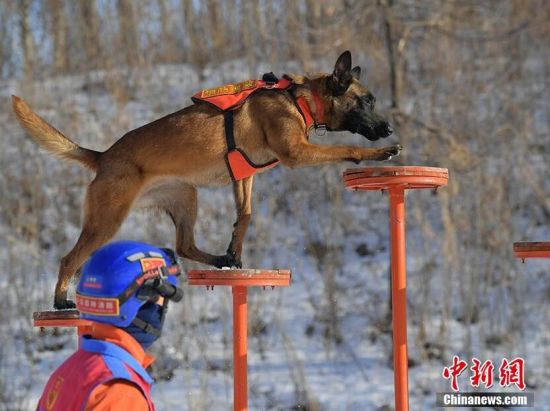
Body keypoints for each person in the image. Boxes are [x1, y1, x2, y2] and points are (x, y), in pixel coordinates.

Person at [37, 241, 184, 411]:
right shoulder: (119, 391)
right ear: (141, 302)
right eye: (160, 300)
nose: (160, 310)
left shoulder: (70, 370)